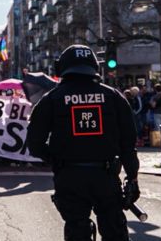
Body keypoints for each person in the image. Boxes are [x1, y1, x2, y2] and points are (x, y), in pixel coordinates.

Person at [26, 45, 140, 241]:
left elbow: (34, 143)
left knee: (77, 230)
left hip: (70, 177)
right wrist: (132, 178)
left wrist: (56, 160)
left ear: (61, 68)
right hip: (105, 176)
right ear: (94, 66)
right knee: (114, 232)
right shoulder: (113, 96)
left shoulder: (52, 99)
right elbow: (128, 144)